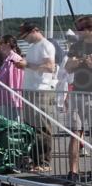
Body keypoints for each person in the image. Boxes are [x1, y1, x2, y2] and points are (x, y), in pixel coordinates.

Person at [14, 22, 58, 171]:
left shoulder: (46, 45)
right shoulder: (33, 47)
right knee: (30, 127)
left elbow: (50, 67)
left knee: (42, 127)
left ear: (34, 31)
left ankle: (44, 161)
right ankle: (35, 159)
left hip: (41, 90)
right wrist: (24, 64)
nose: (24, 39)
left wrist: (27, 65)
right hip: (30, 89)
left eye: (25, 36)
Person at [65, 15, 92, 183]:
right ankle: (73, 172)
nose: (77, 32)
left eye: (80, 29)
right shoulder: (76, 46)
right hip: (77, 93)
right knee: (74, 133)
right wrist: (81, 61)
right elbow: (67, 67)